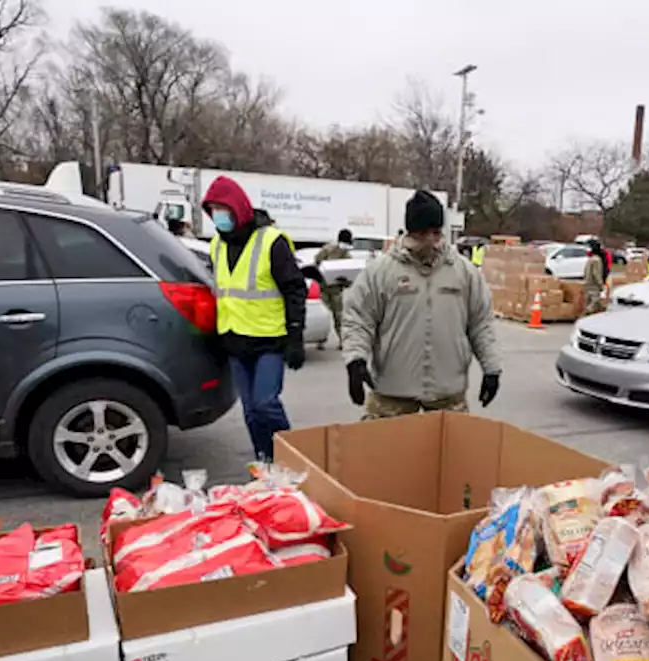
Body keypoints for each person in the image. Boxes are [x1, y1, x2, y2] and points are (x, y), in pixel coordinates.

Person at [342, 190, 502, 418]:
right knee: (380, 452)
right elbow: (358, 319)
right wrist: (355, 361)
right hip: (393, 393)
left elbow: (481, 323)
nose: (430, 240)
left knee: (452, 453)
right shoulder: (381, 272)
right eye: (423, 233)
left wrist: (491, 368)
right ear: (410, 232)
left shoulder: (463, 272)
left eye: (436, 233)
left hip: (447, 394)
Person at [201, 176, 307, 462]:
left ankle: (295, 457)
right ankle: (267, 462)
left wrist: (295, 336)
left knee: (265, 404)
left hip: (269, 340)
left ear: (238, 208)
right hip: (234, 341)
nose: (217, 216)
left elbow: (295, 289)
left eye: (222, 209)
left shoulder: (271, 242)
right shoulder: (216, 246)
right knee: (250, 412)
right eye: (212, 210)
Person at [314, 229, 353, 350]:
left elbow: (349, 273)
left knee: (339, 316)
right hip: (323, 288)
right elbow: (316, 261)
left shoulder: (347, 255)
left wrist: (346, 281)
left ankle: (342, 341)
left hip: (336, 290)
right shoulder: (327, 250)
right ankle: (320, 340)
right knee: (323, 315)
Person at [583, 238, 606, 314]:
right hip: (594, 285)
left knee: (589, 302)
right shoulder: (597, 260)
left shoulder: (590, 259)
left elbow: (585, 271)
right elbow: (596, 273)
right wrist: (601, 284)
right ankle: (587, 313)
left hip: (587, 283)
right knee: (594, 302)